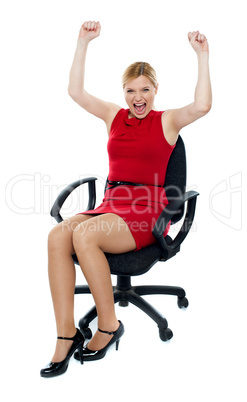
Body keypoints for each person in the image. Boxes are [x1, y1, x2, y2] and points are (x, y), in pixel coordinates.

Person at [40, 21, 212, 377]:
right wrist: (83, 42)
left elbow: (202, 106)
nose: (138, 97)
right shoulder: (112, 116)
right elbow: (75, 91)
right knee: (57, 236)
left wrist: (202, 55)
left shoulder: (168, 122)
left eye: (145, 90)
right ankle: (66, 334)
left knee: (85, 235)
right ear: (124, 92)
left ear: (155, 90)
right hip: (111, 203)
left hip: (146, 211)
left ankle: (108, 325)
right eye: (131, 90)